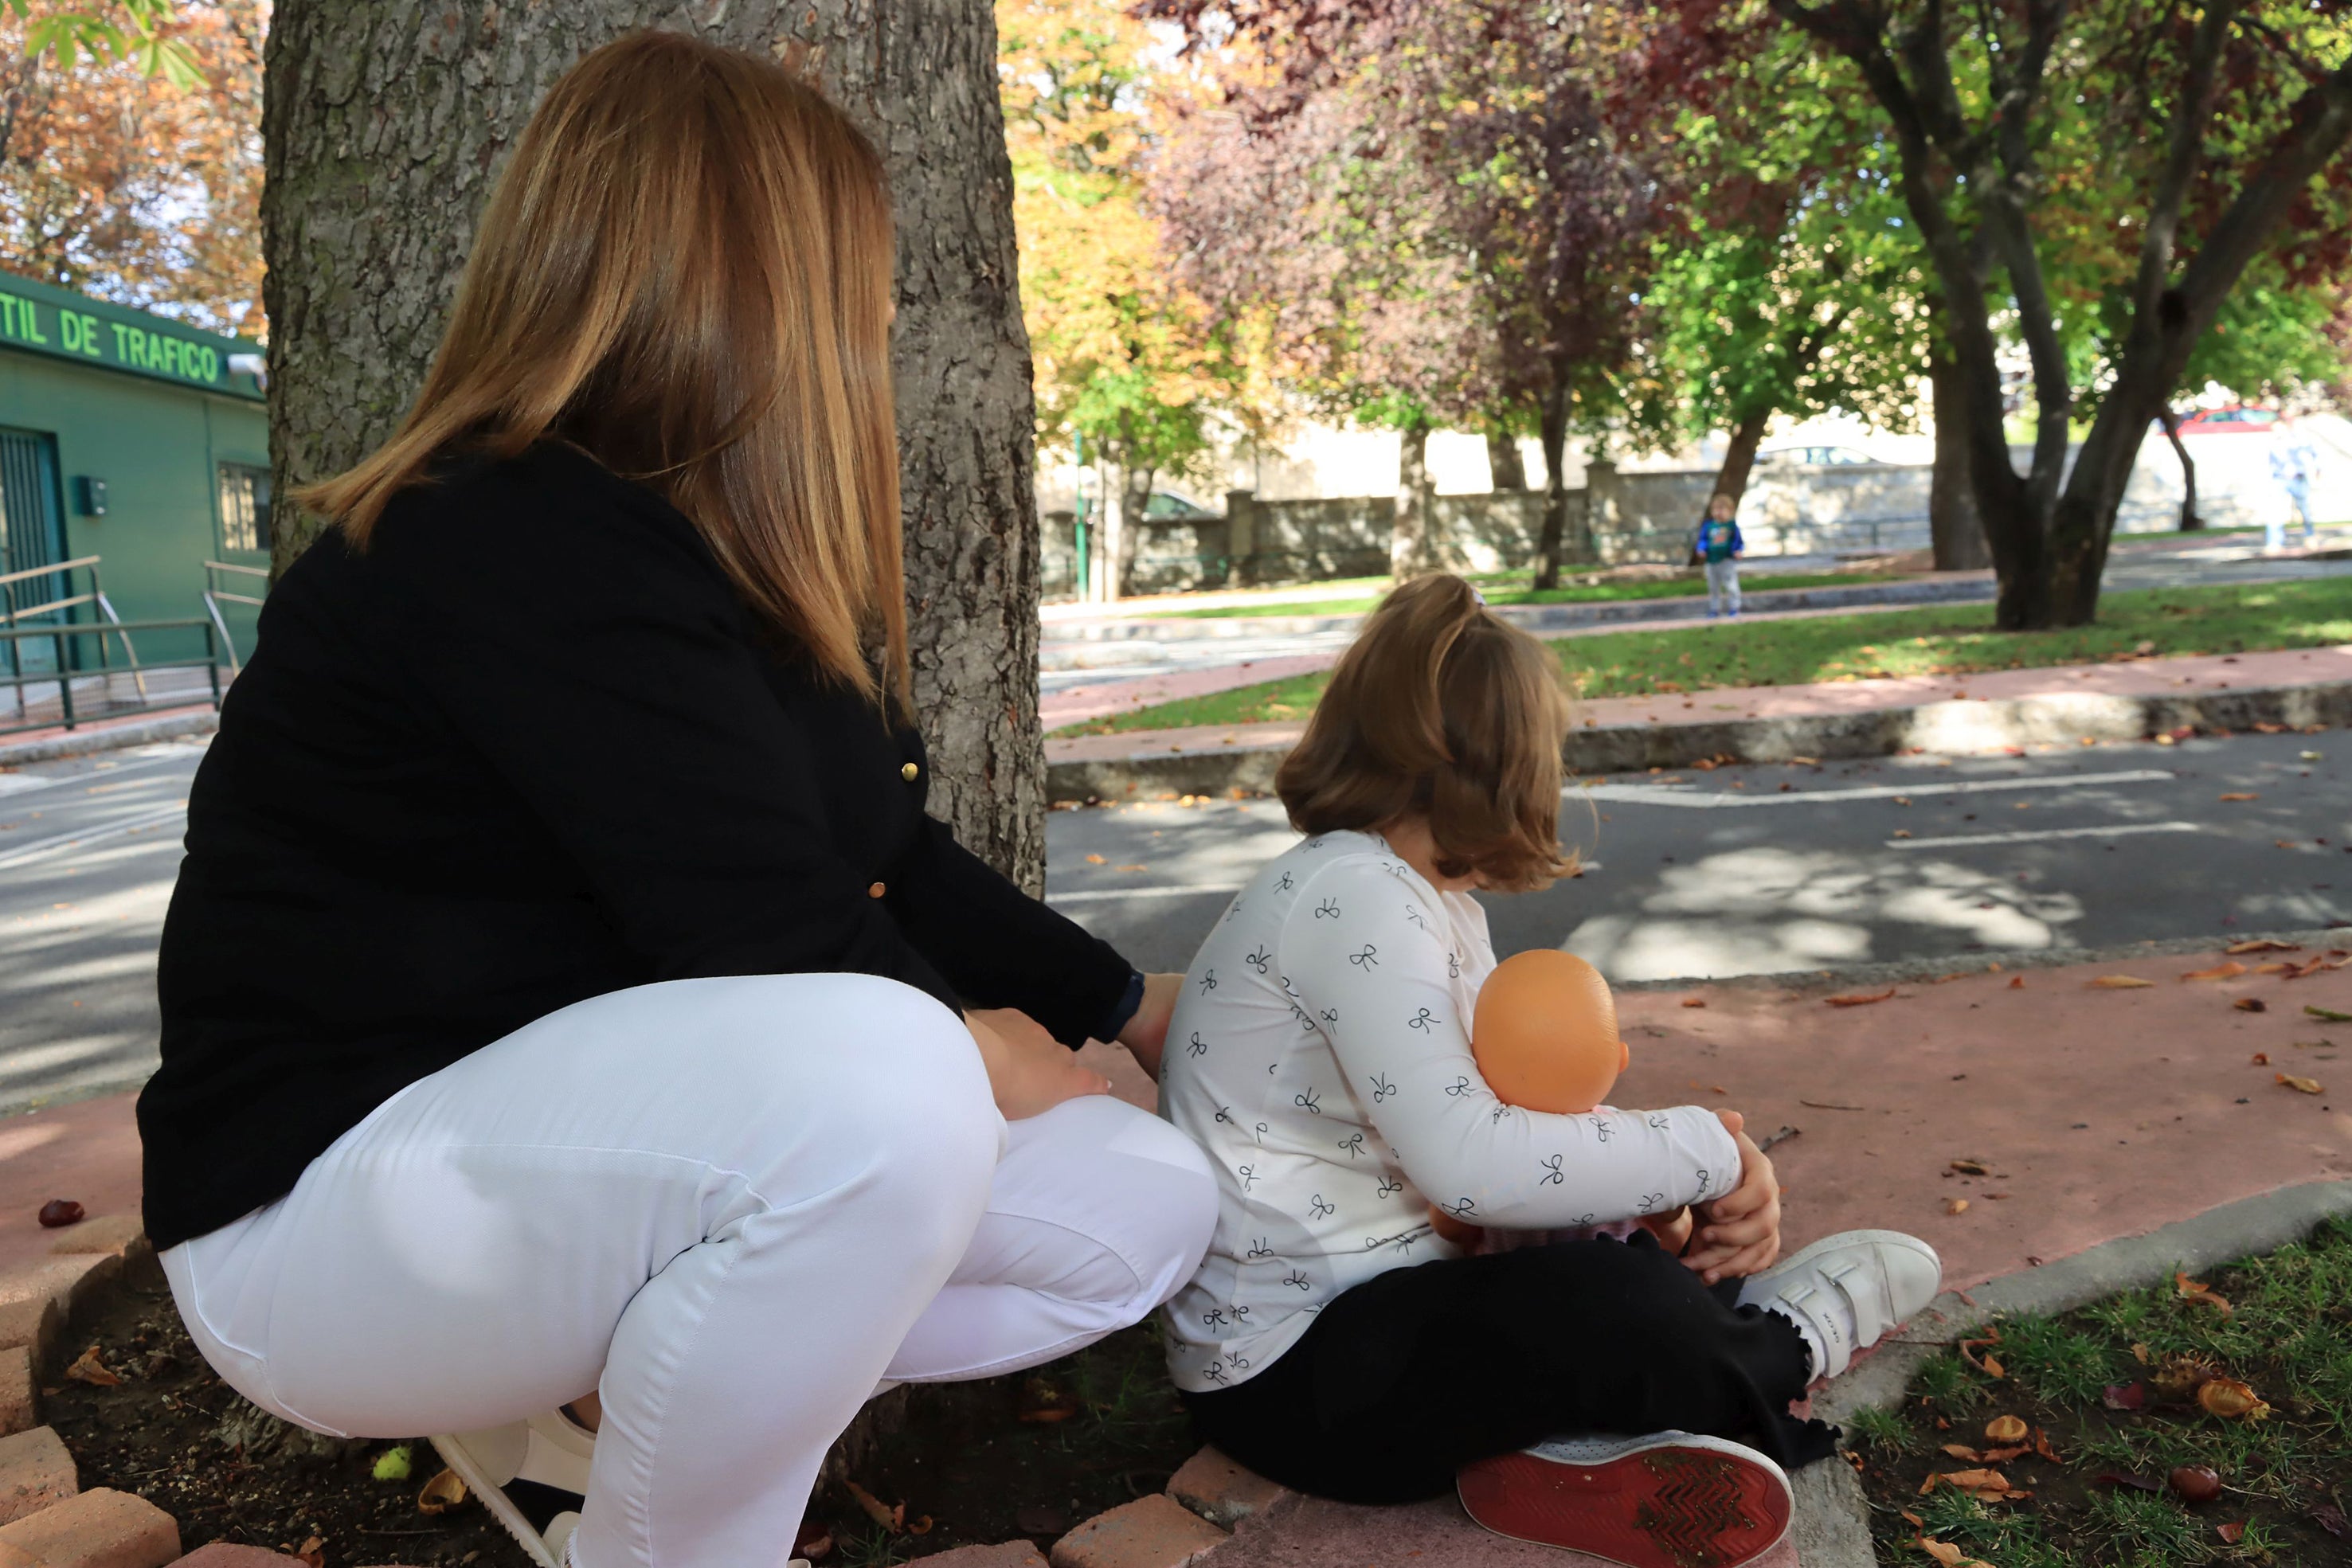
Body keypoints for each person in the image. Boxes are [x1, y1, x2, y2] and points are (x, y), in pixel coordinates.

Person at [136, 34, 1216, 1568]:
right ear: (754, 287)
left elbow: (882, 857)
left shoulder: (715, 561)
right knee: (893, 1085)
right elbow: (770, 930)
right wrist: (1014, 1060)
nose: (882, 319)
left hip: (560, 1174)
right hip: (319, 1213)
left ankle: (613, 1413)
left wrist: (1117, 999)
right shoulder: (503, 535)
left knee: (1144, 1203)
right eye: (859, 280)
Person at [1157, 576, 1939, 1566]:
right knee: (1613, 1307)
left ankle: (1571, 1457)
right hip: (1295, 1380)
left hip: (1385, 1338)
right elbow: (1474, 1164)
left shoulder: (1420, 903)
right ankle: (1779, 1343)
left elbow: (1487, 1144)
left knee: (1606, 1271)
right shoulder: (1353, 894)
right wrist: (1704, 1150)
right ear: (1504, 763)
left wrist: (1629, 1199)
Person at [1695, 492, 1745, 618]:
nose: (1718, 512)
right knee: (1713, 587)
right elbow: (1703, 540)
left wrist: (1738, 550)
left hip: (1726, 560)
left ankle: (1735, 607)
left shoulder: (1731, 527)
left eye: (1721, 509)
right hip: (1711, 561)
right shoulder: (1709, 526)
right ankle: (1714, 609)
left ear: (1730, 511)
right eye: (1715, 509)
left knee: (1731, 585)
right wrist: (1701, 549)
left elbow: (1738, 542)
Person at [2269, 437, 2321, 551]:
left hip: (2298, 478)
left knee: (2304, 510)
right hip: (2280, 479)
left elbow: (2314, 454)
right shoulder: (2273, 444)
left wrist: (2317, 469)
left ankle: (2310, 536)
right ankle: (2274, 542)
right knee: (2275, 511)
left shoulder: (2299, 442)